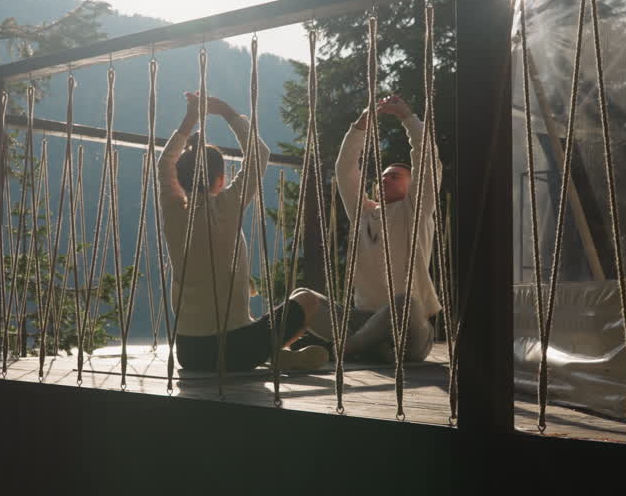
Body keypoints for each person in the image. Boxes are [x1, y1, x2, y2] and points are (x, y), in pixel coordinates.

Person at [159, 92, 330, 372]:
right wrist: (227, 111)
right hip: (233, 347)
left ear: (178, 177)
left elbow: (165, 162)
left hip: (188, 351)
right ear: (221, 179)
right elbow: (259, 154)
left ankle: (271, 354)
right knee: (307, 299)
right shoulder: (228, 203)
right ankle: (272, 353)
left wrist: (190, 118)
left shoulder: (172, 209)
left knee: (257, 315)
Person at [334, 94, 442, 366]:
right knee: (305, 299)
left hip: (411, 333)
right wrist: (359, 127)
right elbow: (345, 169)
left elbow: (428, 163)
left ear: (411, 185)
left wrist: (408, 118)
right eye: (382, 176)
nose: (384, 179)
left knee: (404, 302)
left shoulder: (416, 209)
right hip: (364, 320)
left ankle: (349, 347)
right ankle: (364, 346)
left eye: (394, 176)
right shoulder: (364, 214)